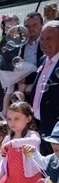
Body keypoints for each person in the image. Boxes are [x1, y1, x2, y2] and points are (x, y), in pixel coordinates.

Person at [31, 21, 59, 155]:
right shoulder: (43, 59)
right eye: (42, 38)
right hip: (41, 128)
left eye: (49, 38)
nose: (44, 42)